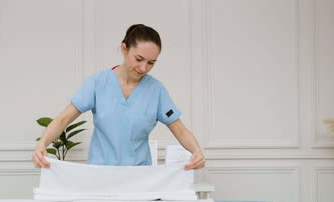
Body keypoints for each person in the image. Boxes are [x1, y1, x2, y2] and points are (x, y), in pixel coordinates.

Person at [32, 24, 205, 170]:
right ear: (124, 49)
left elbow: (180, 129)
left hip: (139, 178)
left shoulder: (156, 90)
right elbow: (63, 119)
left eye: (151, 63)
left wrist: (196, 151)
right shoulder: (98, 83)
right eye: (139, 59)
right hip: (100, 175)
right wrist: (42, 144)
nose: (144, 68)